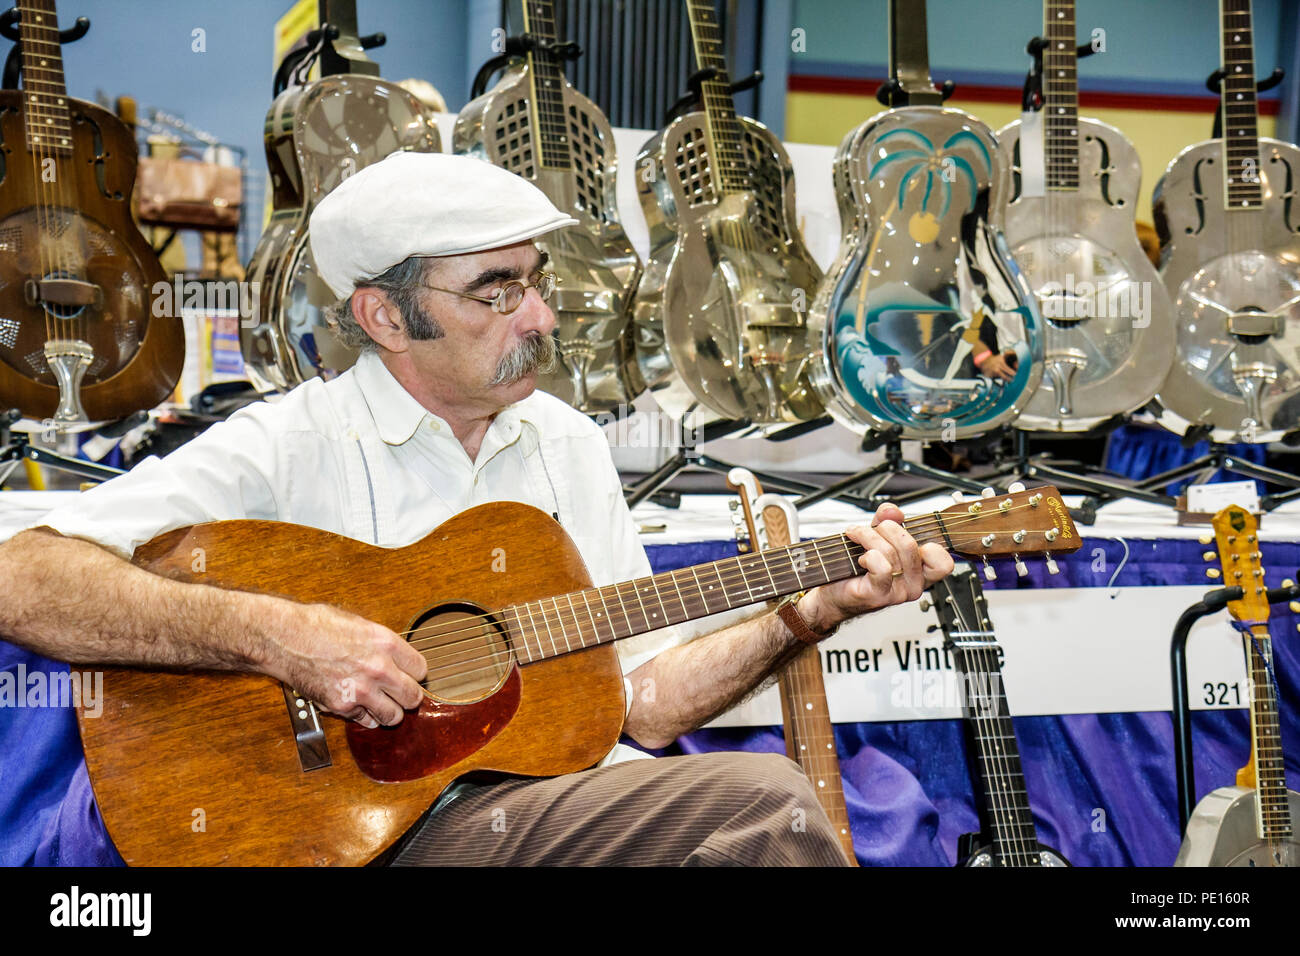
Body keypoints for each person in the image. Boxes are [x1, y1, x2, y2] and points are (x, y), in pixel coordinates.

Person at [0, 151, 953, 866]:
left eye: (533, 282)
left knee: (757, 819)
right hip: (342, 834)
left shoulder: (566, 445)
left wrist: (811, 610)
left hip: (530, 811)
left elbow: (648, 705)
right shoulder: (289, 442)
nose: (538, 317)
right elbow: (23, 577)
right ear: (383, 319)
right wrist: (281, 639)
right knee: (766, 800)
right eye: (496, 291)